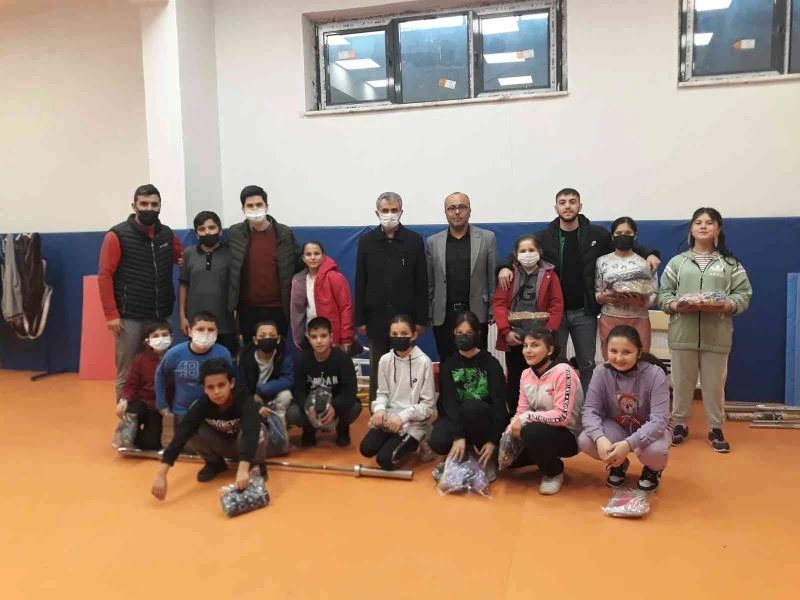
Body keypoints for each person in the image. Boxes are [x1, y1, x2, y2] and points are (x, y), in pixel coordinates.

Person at [498, 188, 660, 392]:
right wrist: (503, 267)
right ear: (556, 207)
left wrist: (650, 253)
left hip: (585, 312)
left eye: (572, 201)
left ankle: (588, 405)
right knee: (555, 363)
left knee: (587, 364)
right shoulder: (544, 237)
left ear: (580, 206)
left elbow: (624, 244)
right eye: (563, 202)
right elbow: (520, 252)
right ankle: (560, 404)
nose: (567, 206)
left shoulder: (597, 235)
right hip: (553, 313)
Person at [658, 207, 752, 453]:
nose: (703, 226)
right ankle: (679, 424)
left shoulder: (730, 264)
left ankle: (715, 428)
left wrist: (727, 305)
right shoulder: (677, 262)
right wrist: (675, 305)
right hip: (682, 333)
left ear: (718, 229)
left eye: (709, 222)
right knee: (681, 383)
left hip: (717, 335)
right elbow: (663, 293)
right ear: (691, 228)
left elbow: (743, 294)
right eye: (698, 222)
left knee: (714, 385)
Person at [98, 184, 183, 400]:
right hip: (130, 318)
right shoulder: (117, 235)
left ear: (160, 206)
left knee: (164, 368)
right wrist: (111, 314)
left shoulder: (167, 235)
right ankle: (128, 416)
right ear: (134, 205)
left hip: (161, 315)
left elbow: (182, 258)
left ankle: (161, 413)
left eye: (154, 204)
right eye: (144, 204)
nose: (149, 208)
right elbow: (105, 276)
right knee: (127, 373)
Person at [151, 359, 268, 501]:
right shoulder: (202, 405)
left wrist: (242, 470)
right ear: (204, 389)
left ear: (231, 383)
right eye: (210, 387)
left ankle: (256, 466)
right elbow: (182, 434)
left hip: (247, 447)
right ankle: (215, 463)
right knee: (189, 427)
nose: (217, 392)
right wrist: (161, 474)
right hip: (224, 445)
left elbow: (250, 430)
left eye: (221, 385)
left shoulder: (243, 396)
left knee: (257, 429)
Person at [355, 192, 428, 404]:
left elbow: (421, 282)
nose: (389, 214)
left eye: (394, 210)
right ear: (377, 213)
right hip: (376, 318)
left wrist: (421, 320)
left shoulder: (414, 240)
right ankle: (378, 410)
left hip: (406, 319)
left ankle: (408, 409)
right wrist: (360, 320)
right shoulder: (366, 241)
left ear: (401, 212)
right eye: (385, 210)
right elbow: (360, 282)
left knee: (407, 368)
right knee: (379, 367)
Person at [578, 325, 671, 491]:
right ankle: (618, 463)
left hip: (649, 428)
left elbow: (659, 420)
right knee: (586, 440)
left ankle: (652, 470)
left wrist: (628, 444)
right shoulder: (600, 372)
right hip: (617, 426)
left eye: (626, 352)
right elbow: (590, 410)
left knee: (656, 452)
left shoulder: (656, 374)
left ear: (639, 353)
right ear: (606, 350)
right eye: (613, 351)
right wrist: (600, 438)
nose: (619, 358)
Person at [429, 311, 506, 481]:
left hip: (484, 421)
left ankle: (487, 455)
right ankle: (465, 449)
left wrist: (493, 441)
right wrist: (458, 436)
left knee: (471, 407)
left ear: (478, 334)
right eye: (459, 333)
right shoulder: (448, 364)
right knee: (437, 441)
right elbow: (449, 403)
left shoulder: (491, 364)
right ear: (453, 334)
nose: (463, 337)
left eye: (469, 333)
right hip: (458, 419)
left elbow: (500, 405)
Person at [505, 328, 583, 495]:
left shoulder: (564, 372)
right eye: (525, 345)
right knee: (507, 454)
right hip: (540, 427)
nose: (527, 350)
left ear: (550, 350)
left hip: (568, 435)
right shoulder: (526, 374)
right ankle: (537, 456)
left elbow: (562, 417)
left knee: (532, 432)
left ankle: (554, 472)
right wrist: (509, 433)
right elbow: (521, 410)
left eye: (535, 345)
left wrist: (524, 419)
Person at [493, 234, 564, 414]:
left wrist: (548, 332)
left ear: (539, 252)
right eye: (523, 251)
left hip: (540, 337)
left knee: (542, 377)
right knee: (515, 377)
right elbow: (499, 304)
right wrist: (506, 331)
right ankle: (515, 417)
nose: (527, 254)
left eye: (531, 250)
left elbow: (556, 304)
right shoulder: (508, 275)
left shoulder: (550, 275)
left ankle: (542, 415)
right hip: (515, 337)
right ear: (516, 254)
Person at [426, 192, 497, 362]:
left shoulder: (487, 238)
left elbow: (492, 277)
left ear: (470, 211)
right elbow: (430, 281)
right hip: (444, 314)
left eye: (462, 207)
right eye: (451, 208)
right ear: (445, 212)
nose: (457, 212)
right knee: (447, 361)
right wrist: (429, 311)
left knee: (478, 362)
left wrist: (492, 308)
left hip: (476, 311)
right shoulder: (432, 242)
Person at [227, 185, 303, 341]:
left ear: (267, 206)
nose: (255, 209)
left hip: (279, 307)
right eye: (250, 205)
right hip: (247, 308)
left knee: (278, 351)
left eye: (259, 204)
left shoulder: (284, 233)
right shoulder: (235, 233)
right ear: (243, 209)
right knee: (249, 352)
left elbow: (299, 264)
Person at [360, 314, 436, 470]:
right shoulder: (385, 360)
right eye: (394, 334)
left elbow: (427, 405)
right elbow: (382, 393)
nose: (399, 337)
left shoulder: (424, 362)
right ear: (389, 335)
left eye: (404, 334)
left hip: (414, 422)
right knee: (366, 449)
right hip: (390, 419)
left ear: (414, 335)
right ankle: (394, 441)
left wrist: (402, 417)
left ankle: (423, 436)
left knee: (385, 460)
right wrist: (380, 410)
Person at [290, 316, 362, 447]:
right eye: (314, 337)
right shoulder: (301, 360)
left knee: (355, 407)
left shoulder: (343, 359)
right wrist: (308, 407)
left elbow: (350, 391)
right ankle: (309, 430)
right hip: (312, 404)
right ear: (309, 339)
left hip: (335, 403)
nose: (319, 341)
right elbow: (298, 391)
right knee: (292, 413)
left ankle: (342, 429)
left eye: (323, 336)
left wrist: (335, 407)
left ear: (331, 337)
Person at [155, 311, 233, 432]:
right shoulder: (175, 353)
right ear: (190, 331)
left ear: (217, 332)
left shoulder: (223, 353)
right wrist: (162, 404)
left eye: (211, 330)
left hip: (213, 411)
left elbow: (230, 382)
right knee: (183, 442)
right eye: (200, 329)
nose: (206, 333)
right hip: (183, 411)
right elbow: (160, 375)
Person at [595, 217, 658, 359]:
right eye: (618, 233)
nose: (623, 236)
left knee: (640, 362)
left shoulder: (647, 261)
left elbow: (655, 293)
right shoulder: (602, 261)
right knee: (612, 362)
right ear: (612, 236)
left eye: (628, 233)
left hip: (638, 319)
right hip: (610, 318)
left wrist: (641, 302)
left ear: (635, 235)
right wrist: (601, 297)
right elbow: (597, 290)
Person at [179, 211, 237, 356]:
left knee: (226, 360)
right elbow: (184, 285)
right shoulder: (188, 253)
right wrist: (182, 316)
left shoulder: (231, 253)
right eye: (202, 229)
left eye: (212, 228)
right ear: (197, 234)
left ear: (220, 230)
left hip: (225, 322)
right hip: (196, 321)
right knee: (199, 359)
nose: (207, 232)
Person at [115, 320, 173, 450]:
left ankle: (144, 437)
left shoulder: (176, 358)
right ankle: (125, 435)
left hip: (161, 408)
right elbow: (131, 384)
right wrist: (124, 399)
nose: (160, 339)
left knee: (151, 444)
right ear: (148, 341)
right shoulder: (140, 359)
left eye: (164, 335)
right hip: (143, 403)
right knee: (132, 410)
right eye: (155, 336)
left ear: (171, 338)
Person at [290, 241, 355, 354]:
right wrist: (299, 338)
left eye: (316, 253)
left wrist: (346, 338)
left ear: (323, 256)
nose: (313, 257)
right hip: (310, 336)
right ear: (303, 258)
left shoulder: (335, 277)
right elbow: (297, 311)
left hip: (333, 337)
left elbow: (345, 308)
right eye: (308, 254)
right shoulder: (299, 280)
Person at [239, 320, 295, 425]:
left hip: (273, 395)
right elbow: (241, 386)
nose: (267, 338)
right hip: (253, 397)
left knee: (286, 395)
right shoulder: (245, 358)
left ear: (278, 339)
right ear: (255, 340)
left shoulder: (284, 354)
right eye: (262, 336)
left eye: (272, 335)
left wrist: (262, 390)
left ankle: (278, 423)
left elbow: (289, 379)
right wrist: (255, 403)